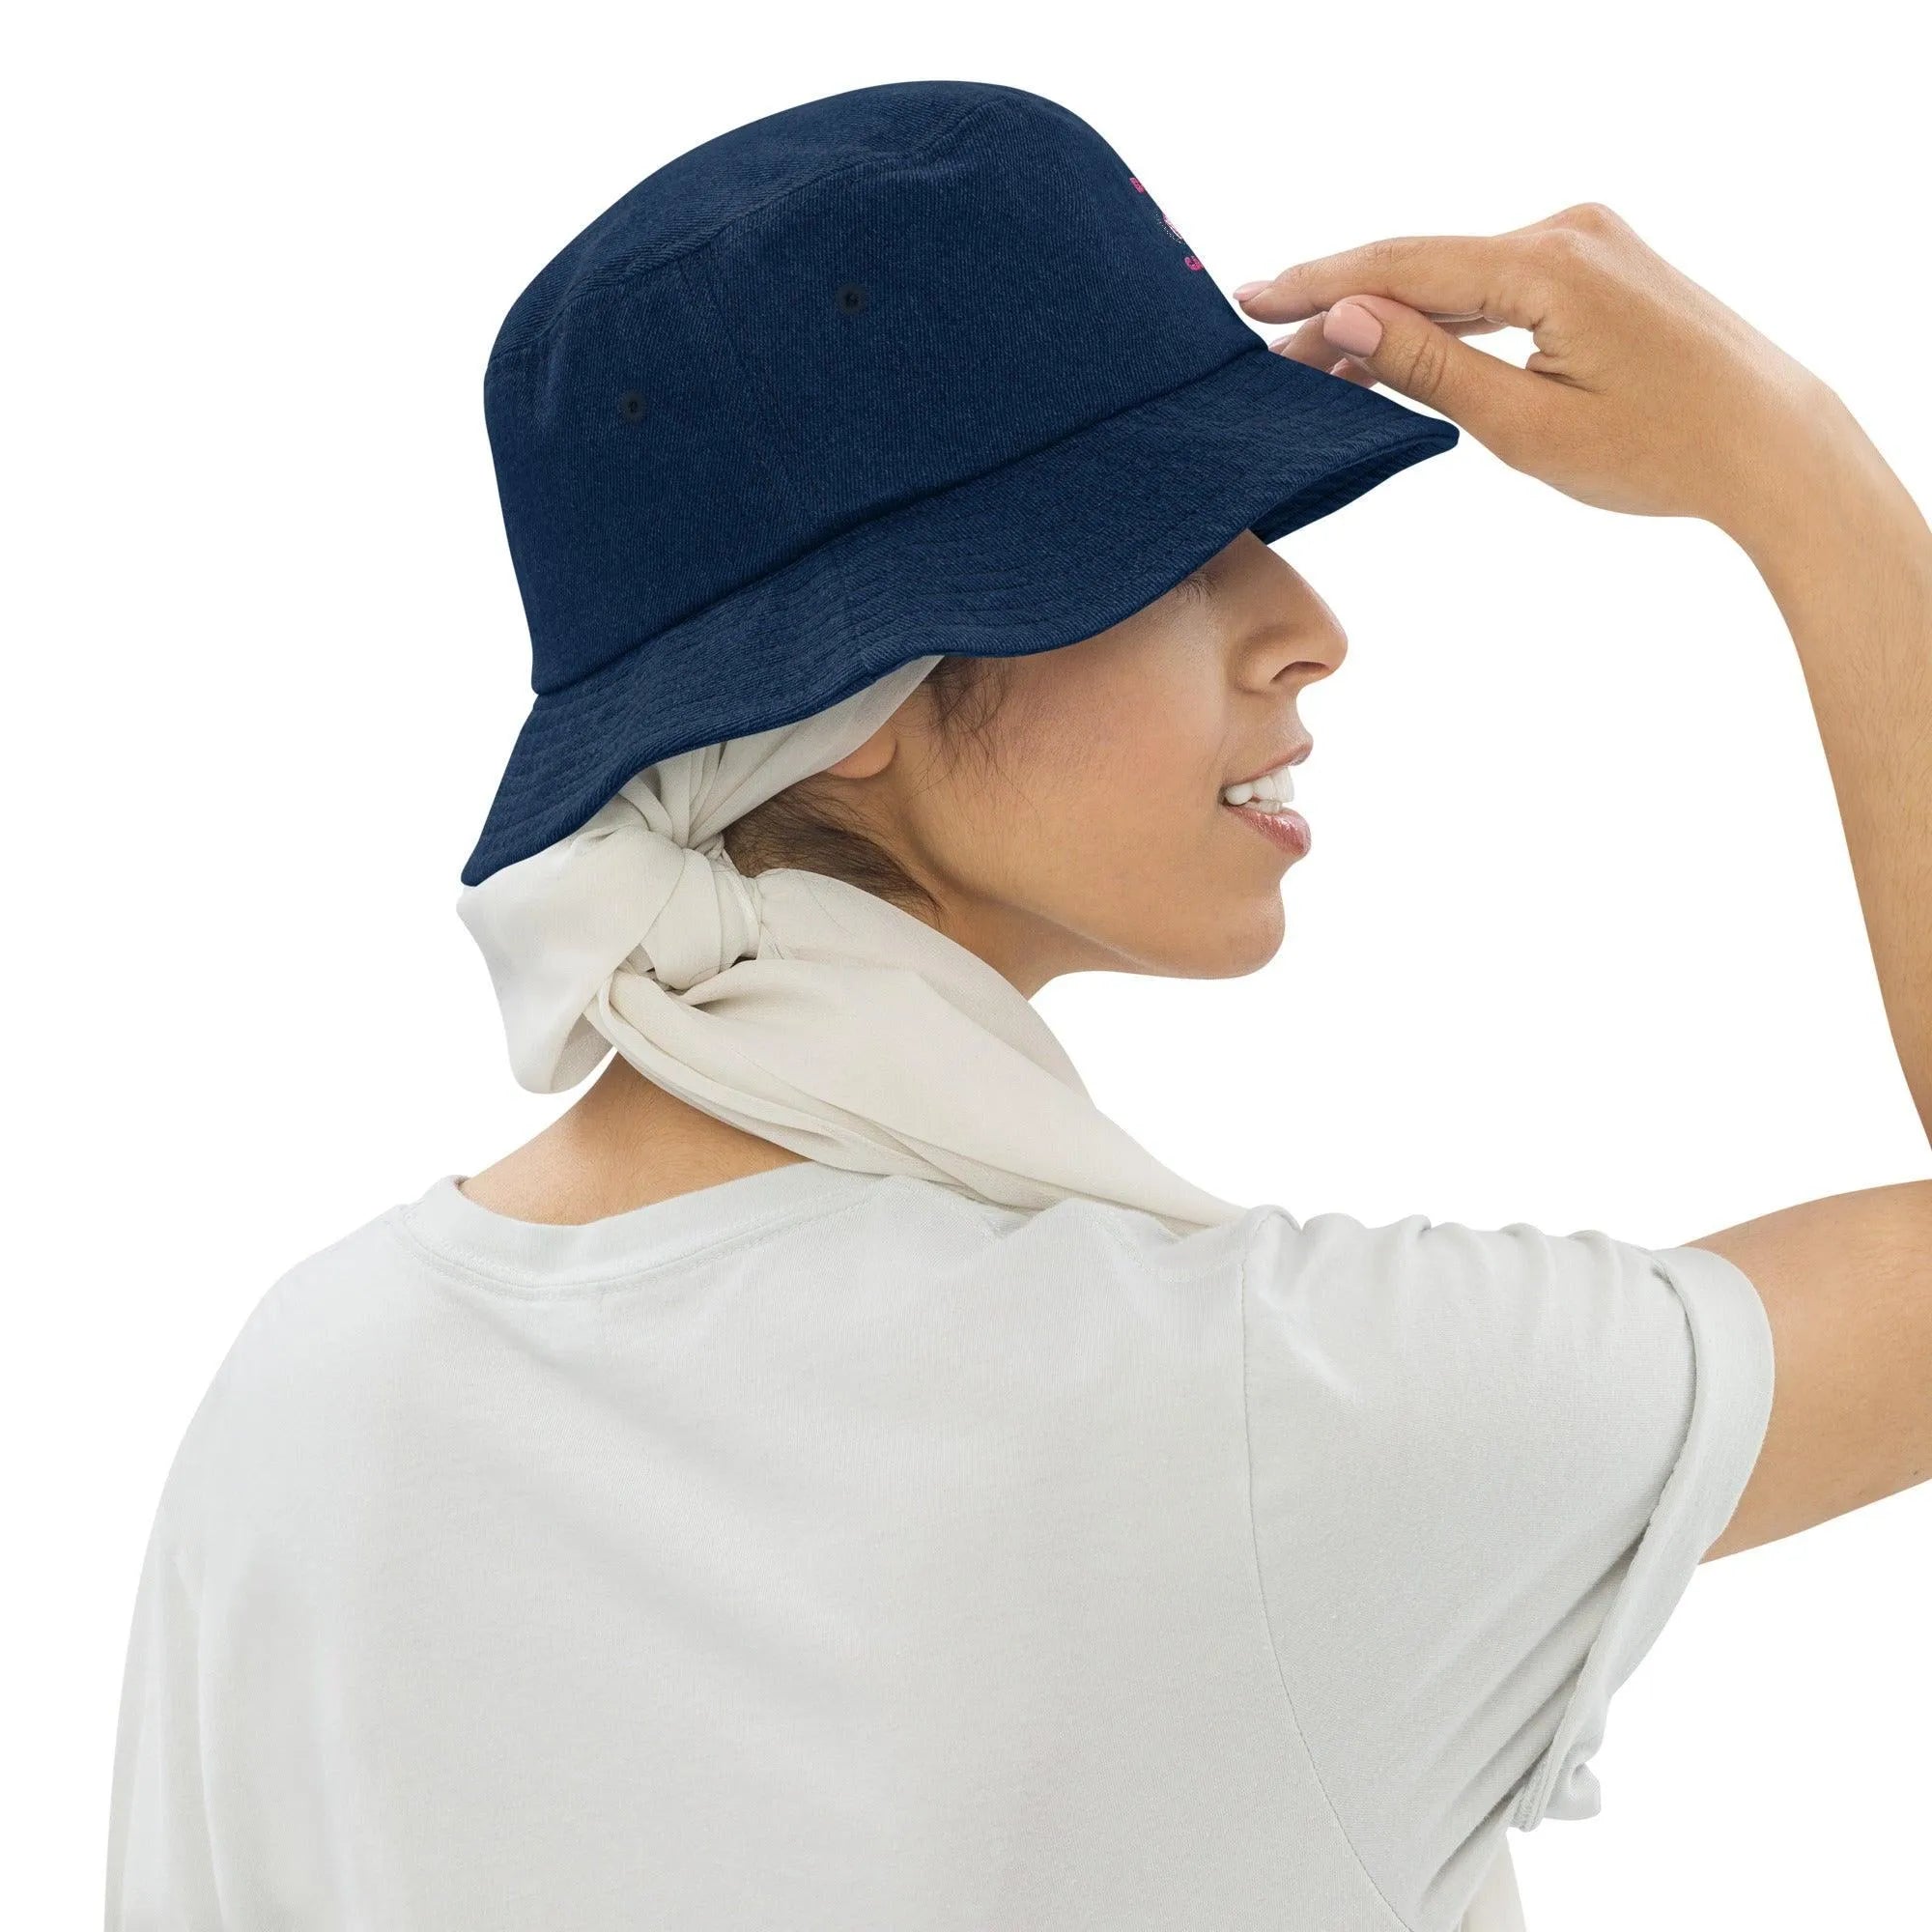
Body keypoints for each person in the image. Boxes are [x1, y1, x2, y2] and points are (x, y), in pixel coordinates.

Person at [105, 81, 1930, 1932]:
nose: (1306, 625)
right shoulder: (1252, 1418)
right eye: (1178, 543)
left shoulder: (309, 1396)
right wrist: (1808, 479)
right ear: (853, 694)